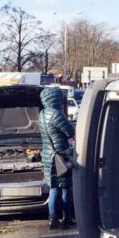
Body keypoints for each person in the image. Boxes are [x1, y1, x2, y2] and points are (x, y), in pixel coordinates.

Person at [38, 87, 76, 229]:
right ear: (55, 98)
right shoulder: (56, 115)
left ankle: (52, 218)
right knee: (66, 188)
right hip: (60, 156)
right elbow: (70, 132)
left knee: (53, 188)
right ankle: (67, 217)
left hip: (48, 156)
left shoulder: (42, 114)